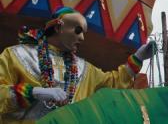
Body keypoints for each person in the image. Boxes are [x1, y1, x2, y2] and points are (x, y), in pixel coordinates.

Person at [0, 7, 156, 123]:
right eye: (78, 30)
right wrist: (34, 92)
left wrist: (138, 57)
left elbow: (113, 83)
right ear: (58, 27)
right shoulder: (17, 55)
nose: (81, 38)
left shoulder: (83, 69)